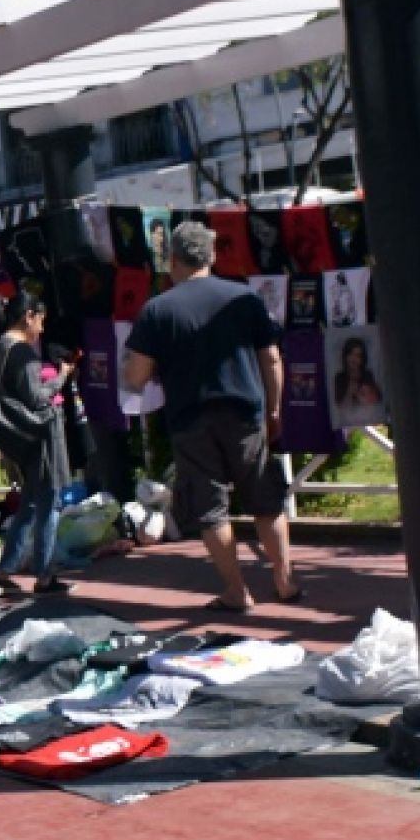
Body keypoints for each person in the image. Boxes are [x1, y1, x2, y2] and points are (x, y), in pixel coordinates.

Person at [124, 221, 299, 611]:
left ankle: (237, 591)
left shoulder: (157, 310)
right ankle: (284, 580)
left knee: (210, 507)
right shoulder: (243, 298)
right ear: (213, 256)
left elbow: (135, 376)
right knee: (265, 499)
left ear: (172, 260)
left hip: (190, 420)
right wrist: (274, 408)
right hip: (244, 412)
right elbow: (271, 357)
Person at [0, 294, 72, 597]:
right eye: (41, 321)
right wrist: (61, 377)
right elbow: (36, 398)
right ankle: (44, 574)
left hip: (17, 433)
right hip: (40, 433)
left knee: (30, 502)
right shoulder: (22, 353)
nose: (42, 329)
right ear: (29, 316)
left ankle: (7, 568)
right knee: (49, 502)